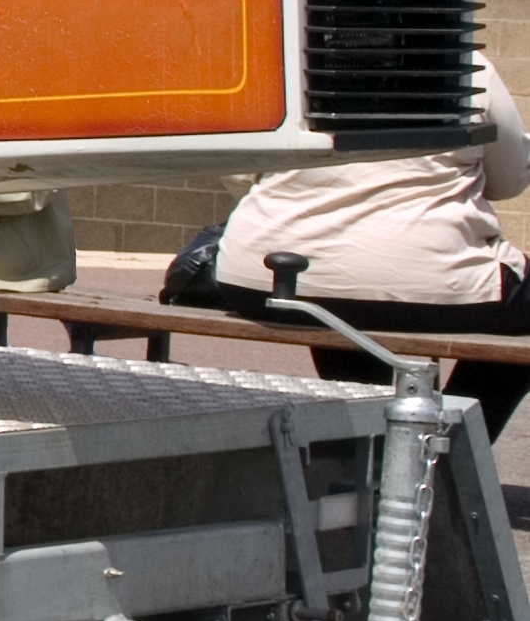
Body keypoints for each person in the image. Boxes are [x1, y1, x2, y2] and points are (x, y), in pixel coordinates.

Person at [214, 62, 530, 434]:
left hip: (260, 278)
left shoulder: (284, 54)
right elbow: (511, 179)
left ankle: (367, 437)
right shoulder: (465, 64)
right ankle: (448, 445)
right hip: (423, 278)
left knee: (336, 288)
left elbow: (237, 166)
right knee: (361, 285)